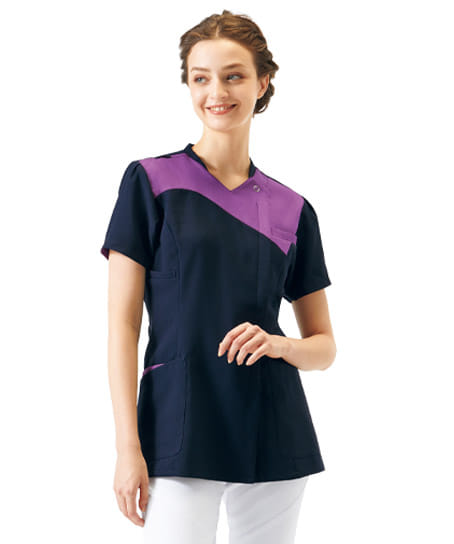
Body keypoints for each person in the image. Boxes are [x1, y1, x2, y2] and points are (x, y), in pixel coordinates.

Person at [100, 9, 336, 544]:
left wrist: (279, 344)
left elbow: (324, 348)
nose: (216, 93)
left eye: (233, 76)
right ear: (188, 83)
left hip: (274, 428)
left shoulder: (293, 208)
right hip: (178, 422)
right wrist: (126, 447)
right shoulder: (151, 183)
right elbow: (123, 326)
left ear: (263, 81)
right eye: (201, 77)